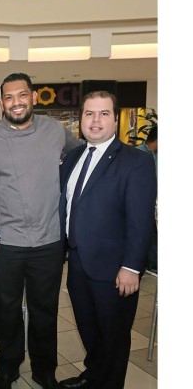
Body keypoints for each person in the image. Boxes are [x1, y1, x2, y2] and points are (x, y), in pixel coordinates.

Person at [0, 73, 81, 389]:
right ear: (1, 102)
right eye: (9, 97)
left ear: (33, 97)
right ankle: (7, 368)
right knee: (6, 310)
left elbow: (78, 161)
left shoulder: (56, 131)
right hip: (5, 242)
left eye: (22, 95)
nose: (16, 102)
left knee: (45, 310)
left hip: (49, 240)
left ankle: (44, 371)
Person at [58, 91, 157, 389]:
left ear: (115, 119)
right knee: (89, 330)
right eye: (89, 114)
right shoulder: (73, 156)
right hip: (77, 263)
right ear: (81, 119)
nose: (96, 120)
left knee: (113, 337)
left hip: (115, 270)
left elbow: (141, 220)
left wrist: (131, 267)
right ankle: (92, 376)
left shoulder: (135, 162)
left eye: (103, 114)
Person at [136, 125, 158, 273]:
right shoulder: (138, 155)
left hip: (154, 202)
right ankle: (148, 263)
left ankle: (152, 262)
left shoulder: (156, 154)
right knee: (145, 233)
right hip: (140, 203)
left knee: (153, 233)